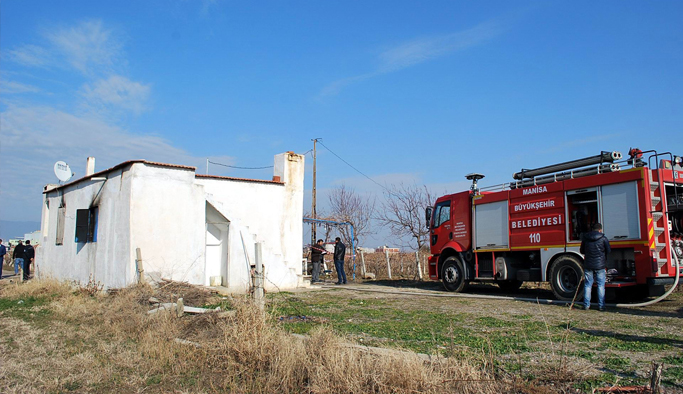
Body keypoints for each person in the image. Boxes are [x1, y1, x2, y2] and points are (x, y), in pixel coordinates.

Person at [580, 223, 611, 311]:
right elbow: (608, 250)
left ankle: (586, 305)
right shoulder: (603, 238)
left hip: (588, 264)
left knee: (587, 285)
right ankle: (601, 306)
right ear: (600, 230)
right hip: (600, 265)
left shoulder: (585, 238)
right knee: (601, 285)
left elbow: (582, 250)